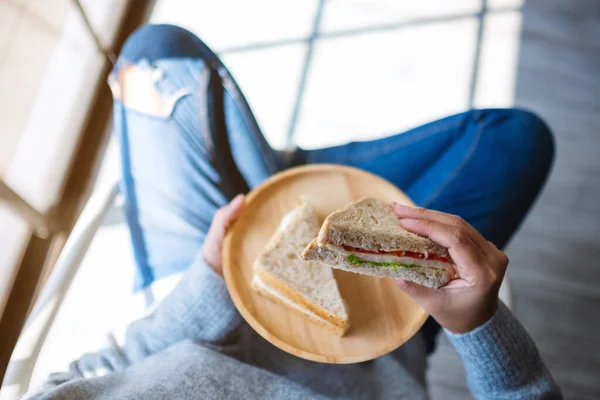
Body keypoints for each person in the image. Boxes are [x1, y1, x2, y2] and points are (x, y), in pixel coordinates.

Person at [27, 24, 561, 399]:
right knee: (515, 140)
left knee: (157, 58)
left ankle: (282, 190)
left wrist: (211, 277)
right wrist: (479, 326)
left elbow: (102, 372)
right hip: (386, 336)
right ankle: (278, 179)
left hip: (195, 293)